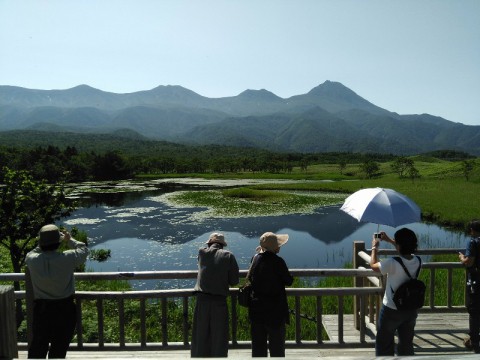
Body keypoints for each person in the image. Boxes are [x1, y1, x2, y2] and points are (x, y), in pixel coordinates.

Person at [25, 224, 89, 359]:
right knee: (59, 349)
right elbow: (83, 248)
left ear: (41, 243)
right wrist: (69, 239)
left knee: (38, 347)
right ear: (57, 243)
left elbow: (31, 253)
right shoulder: (68, 258)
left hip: (42, 310)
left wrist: (43, 243)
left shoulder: (32, 260)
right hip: (65, 309)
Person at [369, 228, 421, 356]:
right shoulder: (418, 261)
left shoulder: (392, 263)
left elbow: (374, 266)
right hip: (410, 309)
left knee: (384, 343)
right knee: (406, 344)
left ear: (398, 245)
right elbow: (405, 250)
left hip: (391, 309)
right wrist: (390, 240)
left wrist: (374, 248)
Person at [191, 232, 239, 357]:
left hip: (202, 299)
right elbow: (234, 281)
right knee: (220, 335)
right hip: (219, 301)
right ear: (223, 245)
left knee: (200, 334)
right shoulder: (229, 256)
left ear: (209, 243)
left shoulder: (201, 252)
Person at [248, 232, 294, 357]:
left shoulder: (255, 259)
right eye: (278, 245)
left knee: (258, 348)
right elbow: (288, 281)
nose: (280, 247)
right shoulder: (278, 262)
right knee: (277, 348)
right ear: (275, 247)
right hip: (275, 312)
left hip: (256, 310)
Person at [459, 220, 480, 354]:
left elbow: (469, 261)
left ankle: (474, 342)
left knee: (474, 310)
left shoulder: (473, 242)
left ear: (472, 230)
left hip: (475, 281)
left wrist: (461, 257)